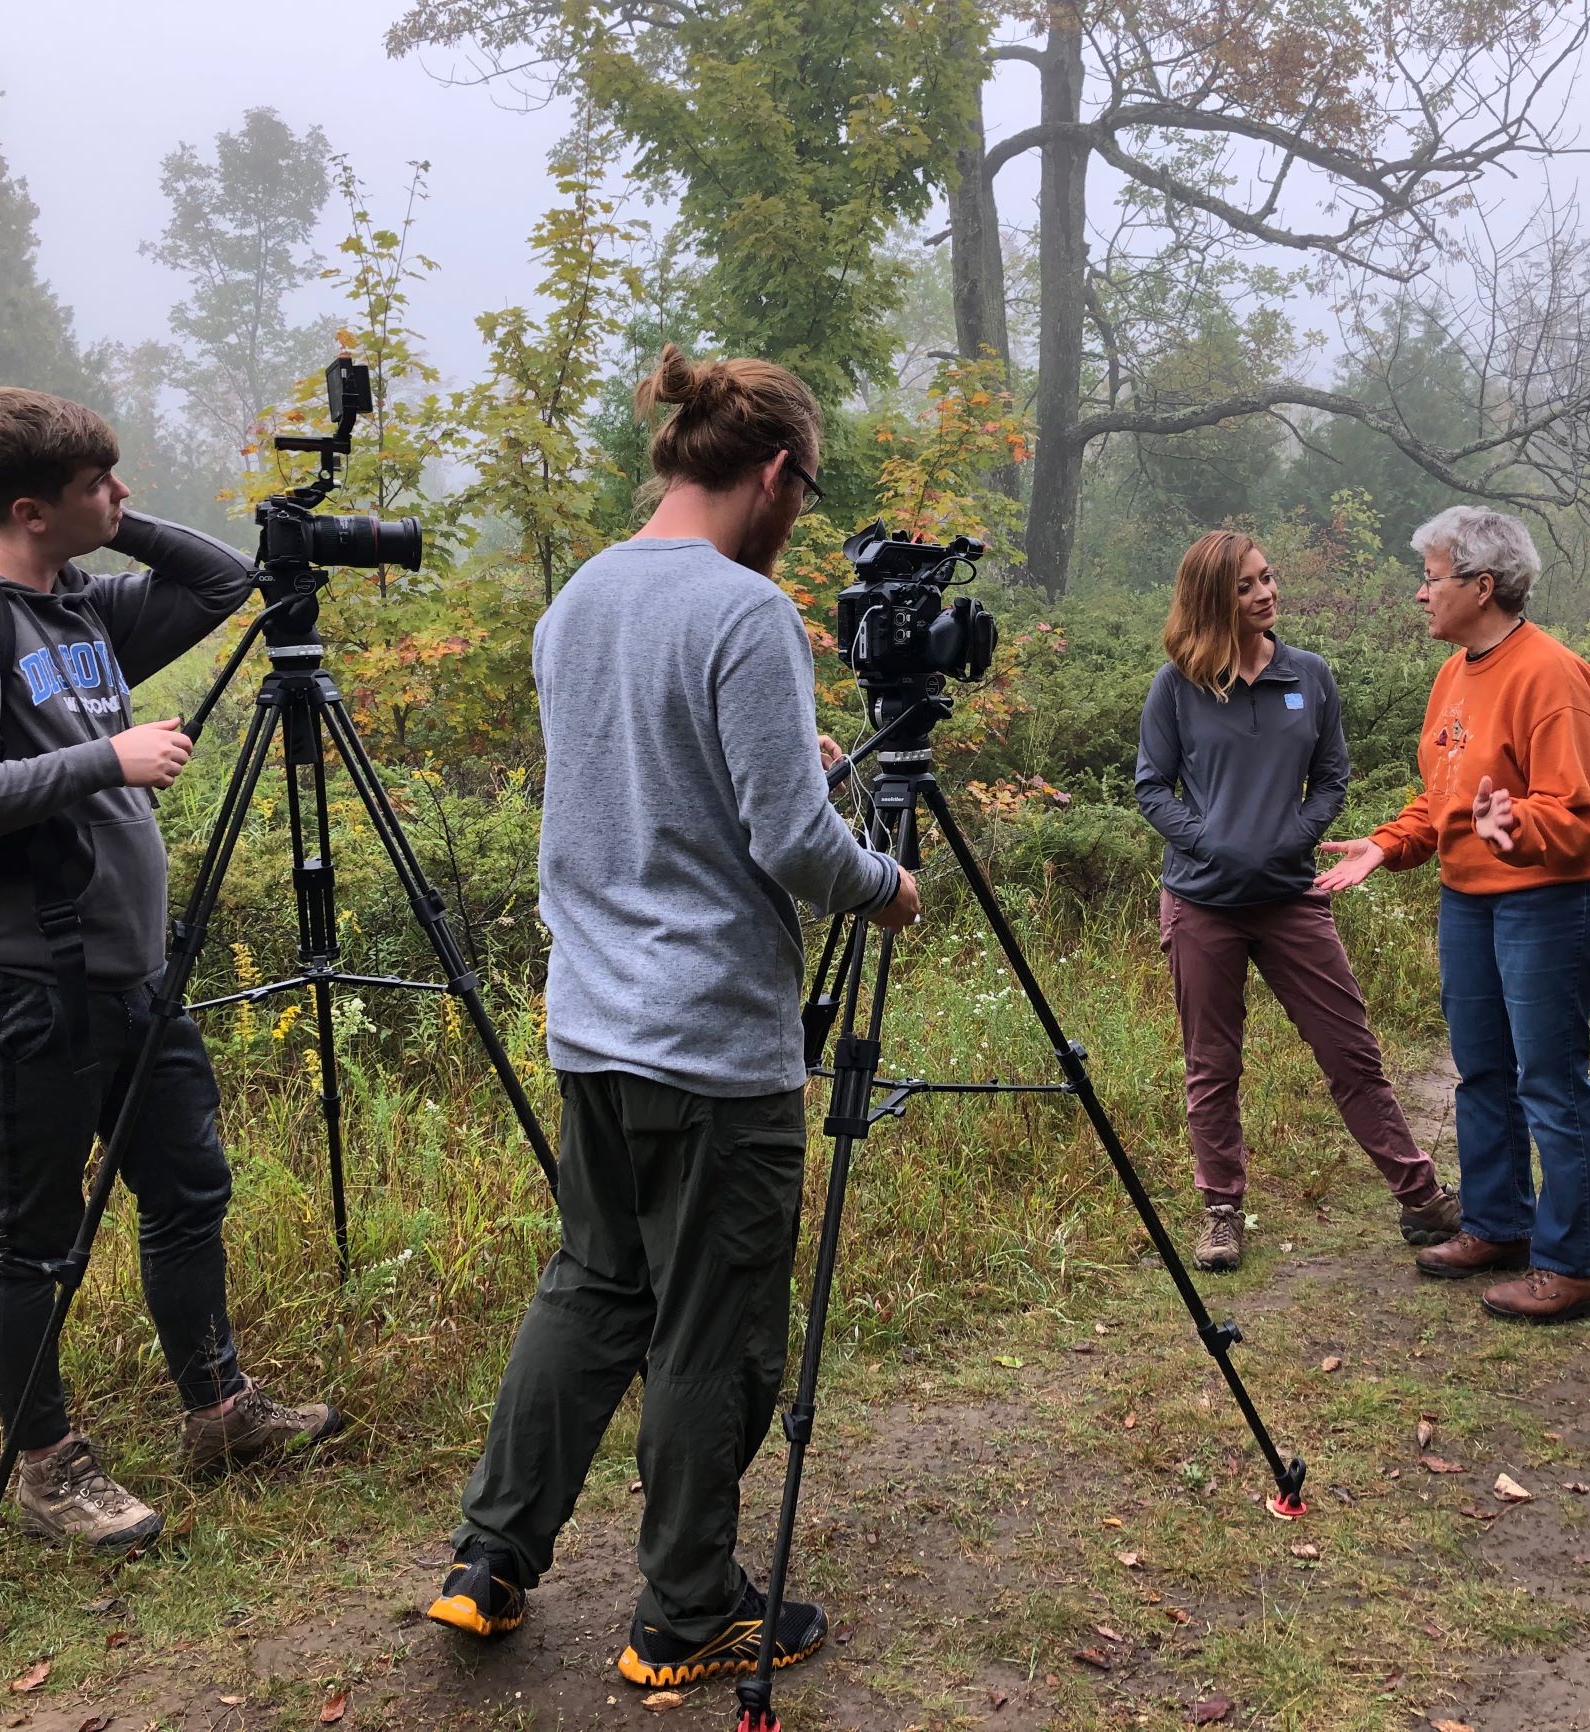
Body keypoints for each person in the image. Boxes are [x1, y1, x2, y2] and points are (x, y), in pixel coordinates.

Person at [430, 345, 918, 1689]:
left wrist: (792, 764)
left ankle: (488, 1563)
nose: (798, 521)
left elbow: (637, 781)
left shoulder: (579, 597)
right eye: (802, 495)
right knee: (714, 1326)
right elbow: (794, 850)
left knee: (594, 1286)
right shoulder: (743, 613)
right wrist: (886, 885)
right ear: (771, 471)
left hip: (592, 1019)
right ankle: (687, 1611)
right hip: (709, 1043)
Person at [0, 388, 341, 1551]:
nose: (123, 498)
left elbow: (224, 584)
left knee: (188, 1187)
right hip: (20, 982)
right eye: (98, 486)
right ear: (27, 507)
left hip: (131, 970)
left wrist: (108, 522)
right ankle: (49, 1466)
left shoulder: (75, 599)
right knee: (31, 1236)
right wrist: (102, 758)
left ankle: (219, 1408)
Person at [1316, 507, 1590, 1325]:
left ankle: (1577, 1268)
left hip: (1554, 897)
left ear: (1480, 585)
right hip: (1471, 897)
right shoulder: (1456, 670)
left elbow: (1576, 817)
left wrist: (1515, 828)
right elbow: (1445, 798)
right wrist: (1388, 846)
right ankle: (1498, 1226)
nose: (1419, 594)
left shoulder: (1552, 678)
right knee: (1483, 1069)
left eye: (1429, 577)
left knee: (1549, 1080)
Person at [1134, 531, 1459, 1274]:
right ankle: (1221, 1213)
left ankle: (1420, 1198)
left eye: (1267, 578)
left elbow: (1333, 777)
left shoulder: (1307, 675)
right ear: (1215, 599)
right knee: (1210, 1066)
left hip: (1289, 896)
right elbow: (1150, 785)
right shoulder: (1176, 685)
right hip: (1201, 902)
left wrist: (1290, 836)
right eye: (1246, 586)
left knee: (1350, 1052)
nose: (1265, 593)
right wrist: (1210, 841)